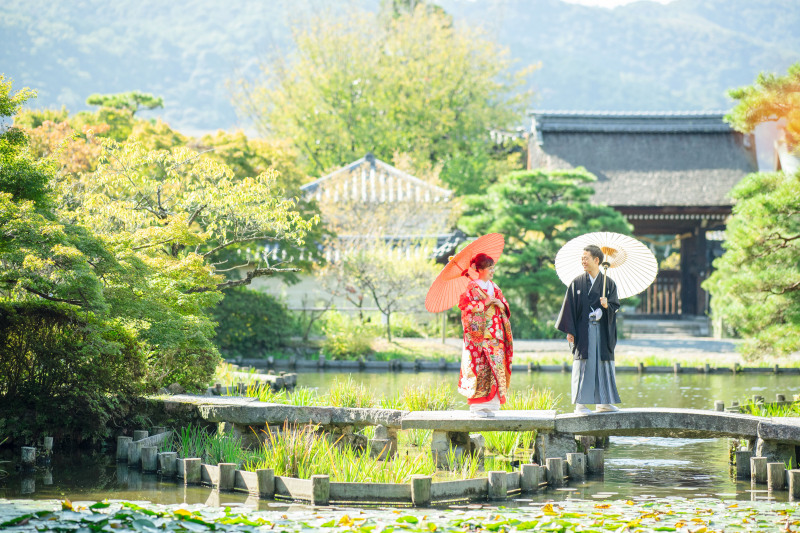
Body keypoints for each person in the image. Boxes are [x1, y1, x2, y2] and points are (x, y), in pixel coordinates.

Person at [555, 244, 621, 414]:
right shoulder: (577, 283)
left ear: (597, 260)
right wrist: (570, 331)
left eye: (586, 258)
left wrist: (606, 307)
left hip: (602, 332)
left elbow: (615, 306)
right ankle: (581, 405)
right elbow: (569, 308)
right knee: (583, 365)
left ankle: (603, 403)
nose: (583, 261)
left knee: (602, 364)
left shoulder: (609, 284)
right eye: (582, 258)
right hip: (583, 332)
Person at [457, 253, 514, 417]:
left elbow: (505, 305)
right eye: (489, 268)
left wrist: (500, 304)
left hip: (496, 335)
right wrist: (484, 303)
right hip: (479, 337)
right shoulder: (472, 287)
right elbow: (465, 308)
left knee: (495, 368)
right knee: (480, 369)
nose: (492, 271)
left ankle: (491, 406)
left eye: (493, 268)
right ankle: (477, 408)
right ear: (480, 269)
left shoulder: (495, 287)